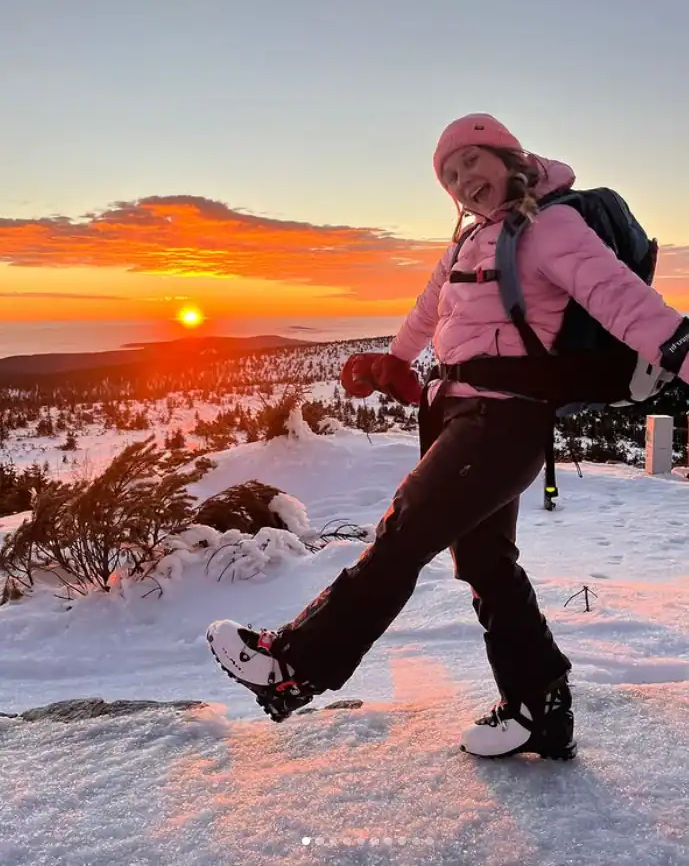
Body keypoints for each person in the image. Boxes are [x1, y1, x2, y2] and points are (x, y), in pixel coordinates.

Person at [206, 113, 689, 759]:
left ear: (508, 158)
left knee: (401, 535)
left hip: (504, 421)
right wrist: (392, 362)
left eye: (472, 163)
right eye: (450, 175)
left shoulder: (550, 227)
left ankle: (294, 665)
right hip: (460, 414)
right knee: (485, 562)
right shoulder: (469, 242)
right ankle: (538, 704)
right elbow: (428, 306)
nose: (463, 181)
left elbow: (625, 304)